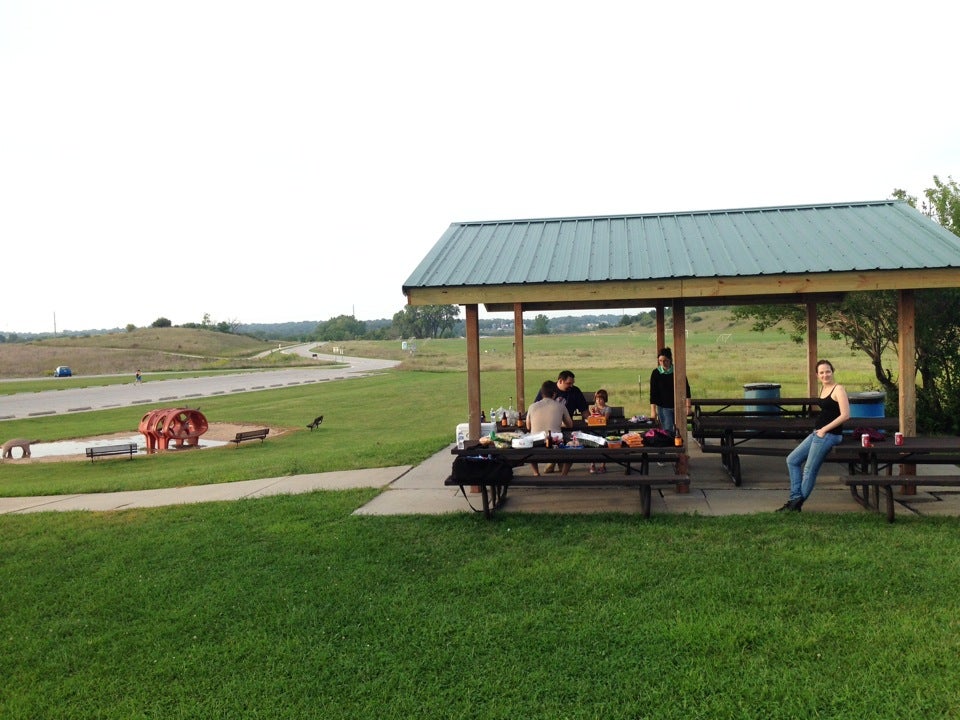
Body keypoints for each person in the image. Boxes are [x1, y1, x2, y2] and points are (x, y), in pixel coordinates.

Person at [778, 359, 851, 512]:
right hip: (818, 433)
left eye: (828, 371)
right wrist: (820, 430)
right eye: (822, 372)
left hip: (830, 435)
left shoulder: (838, 390)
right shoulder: (823, 389)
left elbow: (845, 415)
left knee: (809, 470)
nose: (825, 375)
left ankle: (795, 503)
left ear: (833, 371)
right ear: (817, 375)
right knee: (792, 460)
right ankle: (795, 499)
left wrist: (824, 430)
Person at [533, 370, 588, 473]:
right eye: (569, 383)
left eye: (572, 383)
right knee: (557, 439)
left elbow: (584, 411)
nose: (571, 386)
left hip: (566, 427)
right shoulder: (549, 389)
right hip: (548, 429)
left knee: (573, 442)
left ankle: (555, 461)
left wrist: (592, 419)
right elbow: (537, 407)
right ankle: (555, 461)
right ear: (560, 381)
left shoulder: (575, 391)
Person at [526, 380, 573, 477]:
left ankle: (536, 473)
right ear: (554, 394)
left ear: (542, 393)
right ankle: (564, 475)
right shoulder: (560, 406)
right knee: (573, 448)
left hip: (535, 444)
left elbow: (528, 426)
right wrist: (559, 424)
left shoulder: (532, 407)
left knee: (528, 440)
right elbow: (570, 425)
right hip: (555, 444)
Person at [649, 348, 691, 434]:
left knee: (681, 430)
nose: (663, 363)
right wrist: (653, 411)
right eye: (660, 361)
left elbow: (687, 388)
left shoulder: (678, 371)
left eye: (665, 361)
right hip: (664, 407)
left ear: (670, 360)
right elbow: (653, 393)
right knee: (667, 430)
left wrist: (688, 406)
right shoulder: (656, 373)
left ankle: (680, 446)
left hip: (678, 405)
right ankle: (670, 447)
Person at [589, 389, 611, 474]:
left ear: (604, 399)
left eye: (601, 399)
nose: (598, 401)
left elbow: (605, 419)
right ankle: (592, 464)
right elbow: (591, 418)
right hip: (593, 430)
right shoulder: (593, 407)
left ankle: (603, 466)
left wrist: (599, 413)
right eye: (597, 399)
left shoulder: (607, 409)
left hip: (603, 431)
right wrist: (592, 413)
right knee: (592, 447)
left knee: (603, 446)